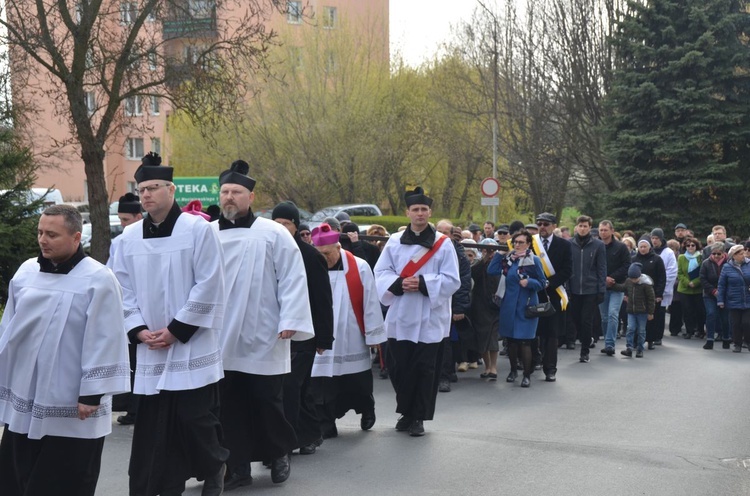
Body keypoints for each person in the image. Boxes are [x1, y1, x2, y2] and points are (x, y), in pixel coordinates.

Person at [112, 153, 228, 496]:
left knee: (195, 419)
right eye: (142, 189)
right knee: (156, 424)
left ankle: (214, 465)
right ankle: (163, 483)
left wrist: (177, 329)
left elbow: (210, 282)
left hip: (190, 342)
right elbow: (121, 288)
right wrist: (137, 329)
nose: (146, 195)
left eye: (153, 188)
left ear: (171, 190)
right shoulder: (127, 239)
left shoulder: (198, 230)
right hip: (150, 346)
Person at [0, 205, 130, 496]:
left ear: (75, 238)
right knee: (17, 477)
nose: (43, 240)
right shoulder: (27, 272)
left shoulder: (98, 278)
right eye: (40, 232)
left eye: (52, 234)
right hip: (26, 394)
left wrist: (92, 393)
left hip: (72, 402)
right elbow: (9, 330)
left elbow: (106, 337)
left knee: (64, 479)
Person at [213, 162, 315, 488]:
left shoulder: (272, 234)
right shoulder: (207, 234)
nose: (229, 197)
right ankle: (238, 468)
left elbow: (292, 279)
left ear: (251, 196)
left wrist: (291, 320)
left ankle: (280, 452)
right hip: (221, 336)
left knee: (268, 402)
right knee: (230, 407)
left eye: (236, 192)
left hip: (263, 333)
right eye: (225, 192)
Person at [374, 187, 460, 437]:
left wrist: (423, 283)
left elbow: (452, 280)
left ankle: (419, 417)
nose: (420, 214)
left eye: (424, 210)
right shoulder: (393, 242)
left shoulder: (443, 245)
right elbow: (380, 273)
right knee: (399, 367)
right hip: (401, 313)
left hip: (429, 316)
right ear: (407, 213)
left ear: (430, 212)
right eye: (415, 210)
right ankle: (406, 411)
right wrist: (399, 283)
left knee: (424, 369)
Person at [309, 224, 386, 437]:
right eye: (320, 254)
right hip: (321, 334)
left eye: (328, 254)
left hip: (351, 333)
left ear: (338, 247)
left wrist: (373, 334)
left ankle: (367, 409)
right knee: (321, 382)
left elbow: (370, 301)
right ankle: (326, 423)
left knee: (357, 382)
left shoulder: (358, 266)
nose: (324, 258)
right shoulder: (311, 265)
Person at [273, 201, 335, 456]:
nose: (281, 228)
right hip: (276, 333)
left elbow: (323, 299)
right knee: (294, 388)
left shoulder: (310, 256)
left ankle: (288, 441)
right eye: (276, 224)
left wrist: (324, 337)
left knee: (292, 386)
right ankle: (310, 432)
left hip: (304, 333)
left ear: (296, 227)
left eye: (286, 224)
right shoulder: (270, 251)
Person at [488, 230, 547, 387]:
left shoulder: (533, 260)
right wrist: (500, 254)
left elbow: (542, 282)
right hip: (508, 306)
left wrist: (529, 283)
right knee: (512, 341)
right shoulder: (509, 260)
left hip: (527, 306)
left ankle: (526, 375)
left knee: (525, 342)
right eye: (515, 242)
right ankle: (513, 370)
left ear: (528, 244)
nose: (517, 245)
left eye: (521, 242)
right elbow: (491, 271)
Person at [107, 192, 143, 427]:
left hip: (147, 308)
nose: (122, 225)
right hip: (128, 308)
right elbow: (114, 274)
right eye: (120, 220)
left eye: (126, 220)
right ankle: (133, 407)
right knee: (133, 362)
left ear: (139, 216)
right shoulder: (119, 241)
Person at [532, 212, 572, 381]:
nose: (542, 227)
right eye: (539, 223)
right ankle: (533, 361)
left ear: (554, 226)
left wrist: (549, 283)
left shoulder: (564, 245)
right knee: (533, 332)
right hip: (533, 293)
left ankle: (550, 369)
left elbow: (567, 270)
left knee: (551, 333)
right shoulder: (530, 243)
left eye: (546, 224)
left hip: (553, 294)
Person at [435, 219, 472, 393]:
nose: (442, 235)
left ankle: (445, 375)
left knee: (445, 341)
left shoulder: (459, 254)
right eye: (439, 231)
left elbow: (463, 282)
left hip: (448, 303)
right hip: (429, 301)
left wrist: (459, 308)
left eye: (446, 232)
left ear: (452, 235)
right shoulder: (427, 249)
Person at [568, 215, 606, 362]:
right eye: (580, 226)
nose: (582, 229)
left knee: (586, 320)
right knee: (576, 319)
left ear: (590, 228)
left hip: (591, 289)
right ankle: (585, 338)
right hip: (574, 288)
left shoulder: (598, 245)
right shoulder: (569, 243)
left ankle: (584, 351)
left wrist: (601, 289)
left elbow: (602, 268)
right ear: (576, 227)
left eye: (585, 226)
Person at [470, 239, 502, 380]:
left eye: (492, 251)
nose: (490, 253)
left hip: (496, 304)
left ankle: (494, 367)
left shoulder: (501, 263)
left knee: (493, 337)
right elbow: (473, 273)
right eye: (486, 250)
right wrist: (484, 258)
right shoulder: (478, 264)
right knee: (482, 336)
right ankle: (487, 366)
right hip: (480, 304)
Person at [598, 220, 631, 356]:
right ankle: (607, 341)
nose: (603, 232)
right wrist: (603, 278)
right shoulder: (596, 246)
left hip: (617, 287)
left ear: (612, 231)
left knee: (612, 314)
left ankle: (610, 344)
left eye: (605, 230)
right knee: (604, 316)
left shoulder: (621, 247)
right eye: (601, 230)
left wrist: (612, 278)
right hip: (601, 286)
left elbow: (626, 265)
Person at [615, 263, 655, 358]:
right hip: (631, 311)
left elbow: (651, 299)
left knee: (641, 331)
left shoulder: (646, 284)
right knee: (630, 329)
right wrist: (613, 285)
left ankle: (640, 349)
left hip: (642, 312)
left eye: (635, 278)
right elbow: (622, 287)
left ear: (639, 276)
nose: (633, 280)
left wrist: (650, 312)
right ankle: (629, 348)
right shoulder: (629, 281)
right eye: (631, 278)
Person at [717, 244, 750, 352]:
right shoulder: (727, 267)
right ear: (733, 256)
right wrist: (720, 300)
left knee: (746, 323)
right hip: (733, 299)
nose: (743, 255)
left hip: (748, 299)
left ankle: (748, 342)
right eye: (740, 254)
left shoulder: (749, 264)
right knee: (735, 324)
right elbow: (722, 285)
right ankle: (737, 344)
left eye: (743, 253)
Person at [649, 228, 677, 348]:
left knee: (659, 314)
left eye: (656, 238)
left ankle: (658, 336)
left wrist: (661, 288)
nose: (654, 241)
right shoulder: (648, 250)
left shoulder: (668, 253)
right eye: (653, 238)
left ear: (661, 239)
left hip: (661, 289)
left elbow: (671, 272)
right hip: (648, 288)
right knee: (649, 313)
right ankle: (648, 335)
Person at [700, 243, 731, 350]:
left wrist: (722, 291)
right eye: (714, 253)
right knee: (711, 314)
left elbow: (731, 279)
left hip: (725, 294)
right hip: (709, 294)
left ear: (724, 253)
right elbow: (703, 279)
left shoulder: (729, 263)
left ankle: (726, 338)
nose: (716, 256)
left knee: (725, 318)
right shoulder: (706, 263)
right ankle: (710, 339)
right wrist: (713, 291)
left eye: (719, 253)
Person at [677, 238, 705, 339]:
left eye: (693, 245)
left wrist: (695, 282)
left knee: (699, 311)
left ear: (696, 246)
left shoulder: (701, 257)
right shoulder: (681, 257)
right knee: (687, 311)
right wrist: (688, 283)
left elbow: (703, 272)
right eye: (688, 245)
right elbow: (679, 273)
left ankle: (700, 330)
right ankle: (689, 331)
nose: (690, 247)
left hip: (697, 289)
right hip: (684, 289)